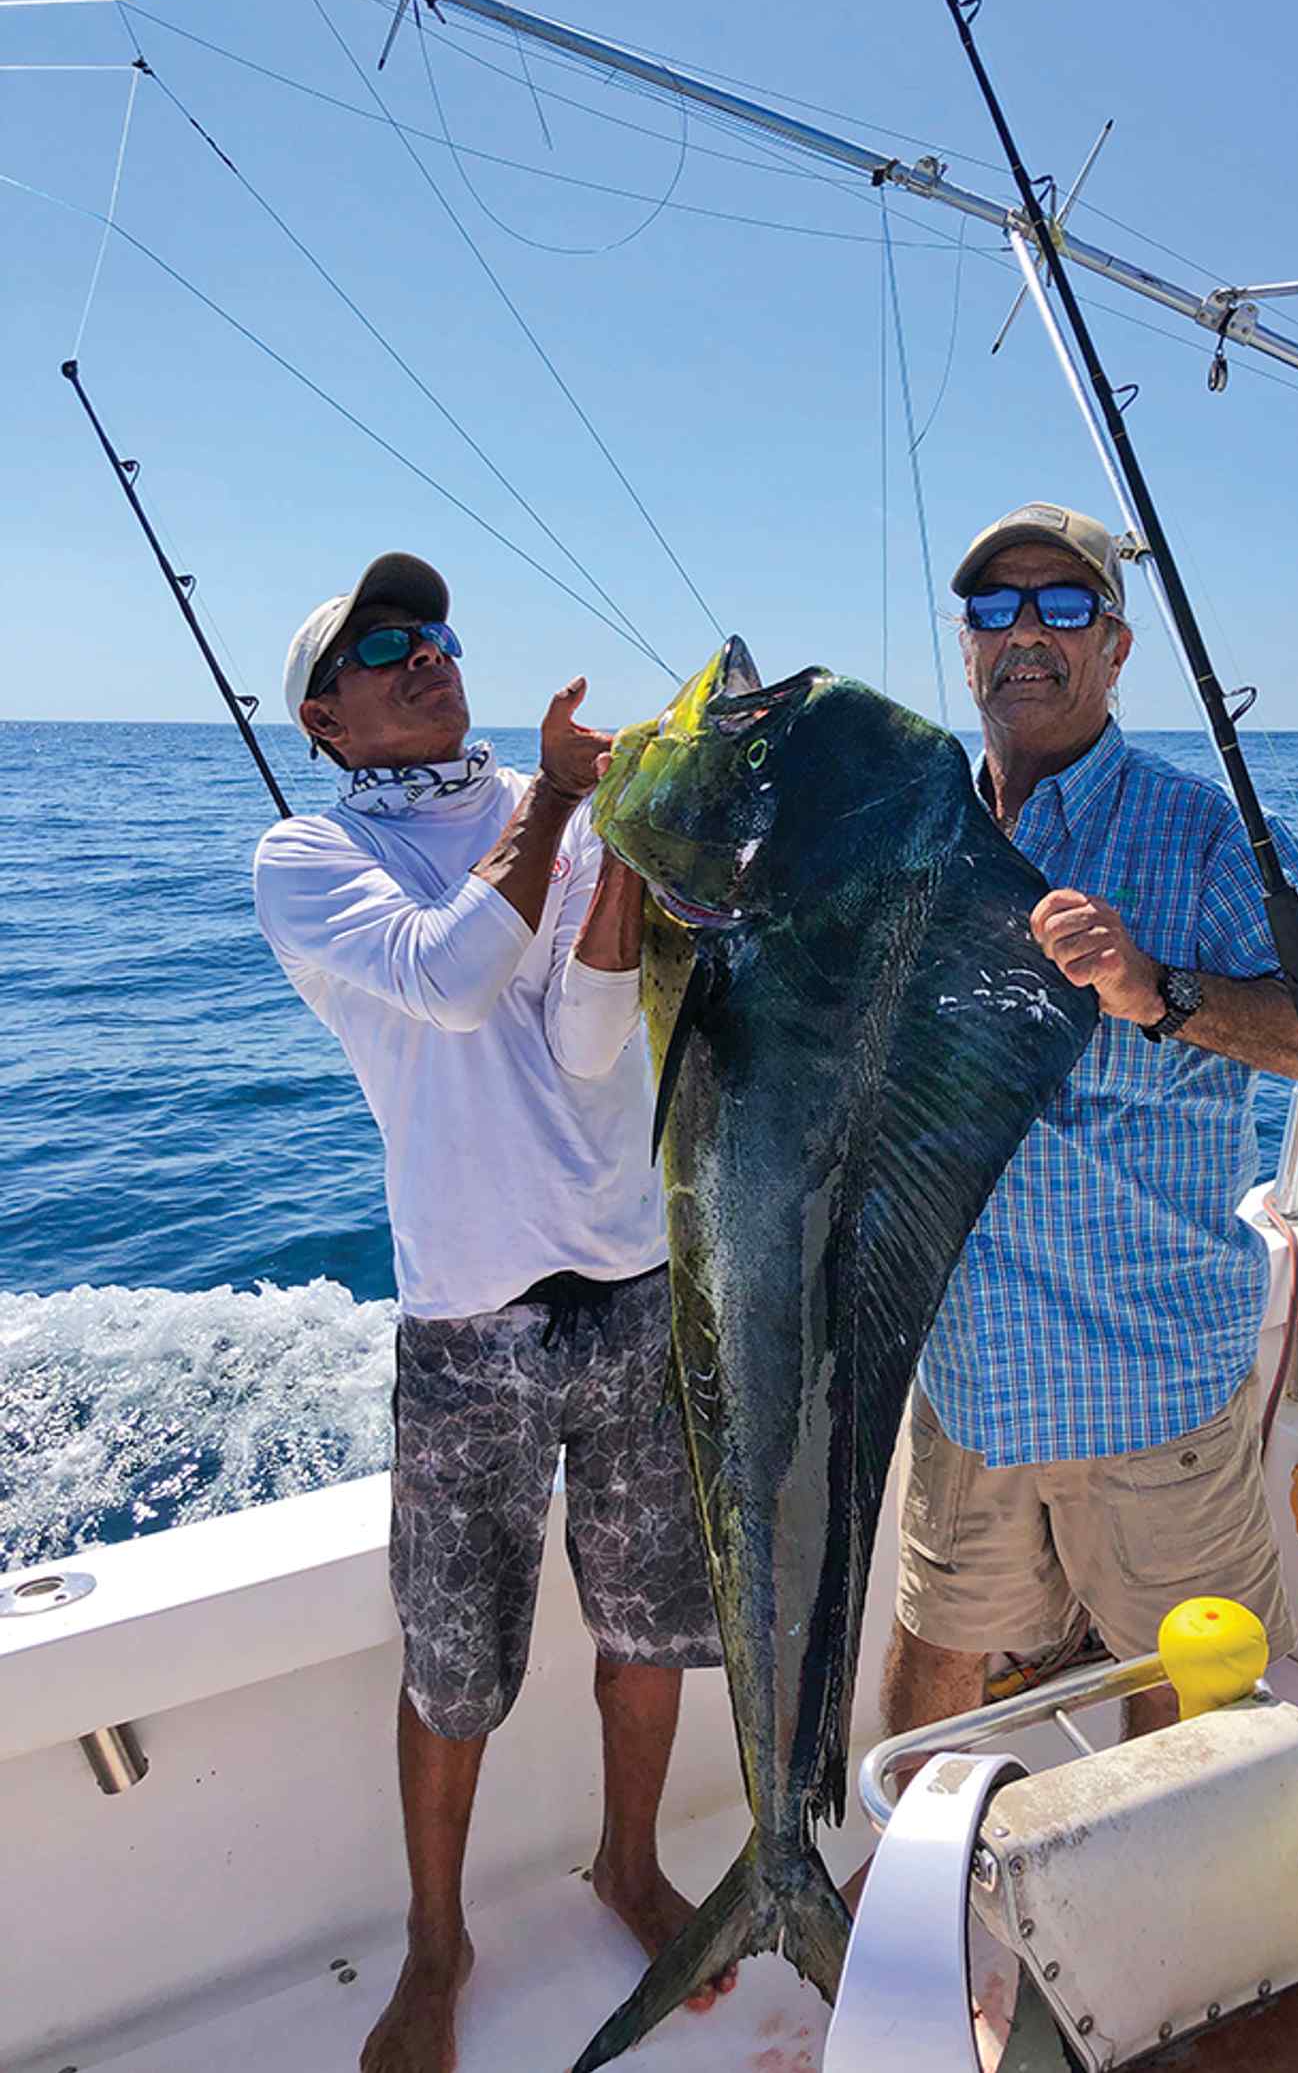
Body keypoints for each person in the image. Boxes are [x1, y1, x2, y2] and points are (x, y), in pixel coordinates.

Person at [252, 553, 730, 2073]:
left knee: (650, 1623)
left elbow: (588, 1039)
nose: (425, 654)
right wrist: (560, 809)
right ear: (324, 719)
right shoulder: (307, 855)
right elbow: (452, 979)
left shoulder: (561, 807)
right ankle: (436, 1943)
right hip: (469, 1314)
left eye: (435, 633)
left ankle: (629, 1869)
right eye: (382, 644)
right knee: (454, 1665)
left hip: (634, 1276)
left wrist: (625, 846)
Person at [887, 502, 1298, 1743]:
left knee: (1190, 1707)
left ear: (1114, 647)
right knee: (935, 1656)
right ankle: (896, 1856)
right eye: (995, 607)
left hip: (1144, 1386)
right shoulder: (915, 833)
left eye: (1064, 606)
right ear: (965, 645)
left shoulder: (1197, 828)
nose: (1025, 632)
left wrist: (1154, 989)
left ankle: (1194, 1873)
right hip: (964, 1376)